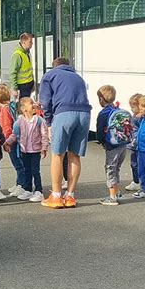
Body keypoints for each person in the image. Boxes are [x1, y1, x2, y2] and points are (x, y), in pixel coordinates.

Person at [39, 57, 91, 209]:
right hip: (84, 114)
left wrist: (48, 123)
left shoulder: (49, 76)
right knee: (74, 155)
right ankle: (70, 196)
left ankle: (56, 196)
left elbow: (45, 101)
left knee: (58, 154)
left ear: (54, 66)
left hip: (64, 113)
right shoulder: (78, 77)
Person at [5, 96, 49, 202]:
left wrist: (44, 148)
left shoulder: (39, 120)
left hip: (35, 151)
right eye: (31, 103)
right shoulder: (19, 122)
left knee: (35, 171)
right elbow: (15, 134)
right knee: (26, 171)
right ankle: (28, 189)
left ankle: (39, 191)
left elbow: (44, 135)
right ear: (23, 109)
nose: (34, 104)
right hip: (24, 150)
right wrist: (7, 143)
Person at [96, 85, 128, 206]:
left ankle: (112, 196)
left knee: (110, 168)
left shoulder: (103, 113)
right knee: (117, 168)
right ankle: (117, 191)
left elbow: (100, 132)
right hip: (122, 144)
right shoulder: (118, 109)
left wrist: (102, 142)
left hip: (112, 145)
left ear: (101, 99)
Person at [0, 84, 26, 197]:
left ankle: (22, 185)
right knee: (19, 163)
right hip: (18, 138)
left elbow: (6, 126)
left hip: (12, 140)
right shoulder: (11, 106)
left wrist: (7, 142)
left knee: (18, 164)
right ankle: (18, 183)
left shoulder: (4, 110)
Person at [125, 93, 142, 192]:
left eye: (133, 107)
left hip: (141, 144)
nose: (131, 109)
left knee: (143, 163)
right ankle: (136, 181)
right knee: (133, 163)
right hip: (133, 144)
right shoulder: (134, 116)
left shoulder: (142, 117)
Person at [9, 32, 34, 99]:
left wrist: (32, 83)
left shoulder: (27, 53)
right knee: (22, 105)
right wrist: (14, 89)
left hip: (28, 84)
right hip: (22, 86)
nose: (32, 43)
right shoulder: (17, 55)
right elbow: (12, 73)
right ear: (24, 42)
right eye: (30, 42)